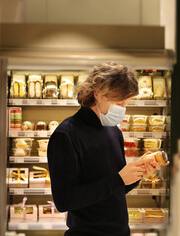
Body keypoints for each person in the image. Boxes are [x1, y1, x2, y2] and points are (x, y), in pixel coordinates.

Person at [47, 62, 168, 236]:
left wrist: (138, 172)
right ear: (98, 94)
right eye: (119, 103)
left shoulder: (113, 130)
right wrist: (118, 179)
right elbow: (64, 200)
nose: (123, 110)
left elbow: (116, 188)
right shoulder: (66, 135)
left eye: (126, 104)